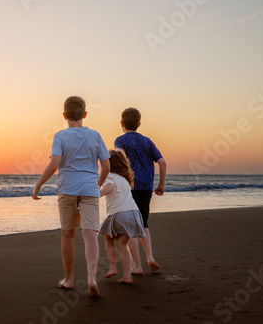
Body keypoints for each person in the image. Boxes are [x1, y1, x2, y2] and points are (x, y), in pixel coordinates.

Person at [32, 96, 110, 297]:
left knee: (68, 234)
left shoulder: (60, 136)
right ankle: (92, 278)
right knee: (90, 234)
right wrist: (98, 184)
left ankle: (68, 279)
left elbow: (54, 165)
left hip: (67, 189)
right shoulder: (95, 135)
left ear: (64, 115)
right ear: (84, 115)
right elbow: (106, 166)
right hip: (89, 190)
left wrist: (38, 185)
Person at [114, 107, 166, 274]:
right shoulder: (147, 141)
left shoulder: (120, 141)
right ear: (139, 123)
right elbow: (162, 162)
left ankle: (137, 266)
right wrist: (161, 185)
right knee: (143, 221)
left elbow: (120, 163)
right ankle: (150, 257)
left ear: (122, 123)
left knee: (129, 224)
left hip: (129, 186)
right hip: (146, 186)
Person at [99, 149, 146, 284]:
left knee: (108, 238)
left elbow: (109, 188)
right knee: (122, 244)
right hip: (134, 214)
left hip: (119, 213)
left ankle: (113, 267)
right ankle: (127, 276)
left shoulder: (109, 176)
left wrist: (97, 194)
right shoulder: (125, 179)